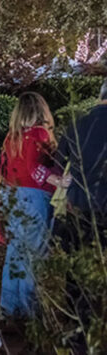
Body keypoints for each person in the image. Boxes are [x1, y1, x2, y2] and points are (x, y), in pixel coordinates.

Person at [0, 92, 68, 320]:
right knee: (33, 254)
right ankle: (30, 311)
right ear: (41, 110)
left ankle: (9, 307)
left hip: (12, 194)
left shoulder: (12, 137)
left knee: (15, 253)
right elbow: (33, 169)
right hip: (35, 197)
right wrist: (59, 181)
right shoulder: (39, 133)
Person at [56, 77, 107, 344]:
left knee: (77, 264)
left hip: (79, 206)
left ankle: (77, 323)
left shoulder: (78, 122)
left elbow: (56, 159)